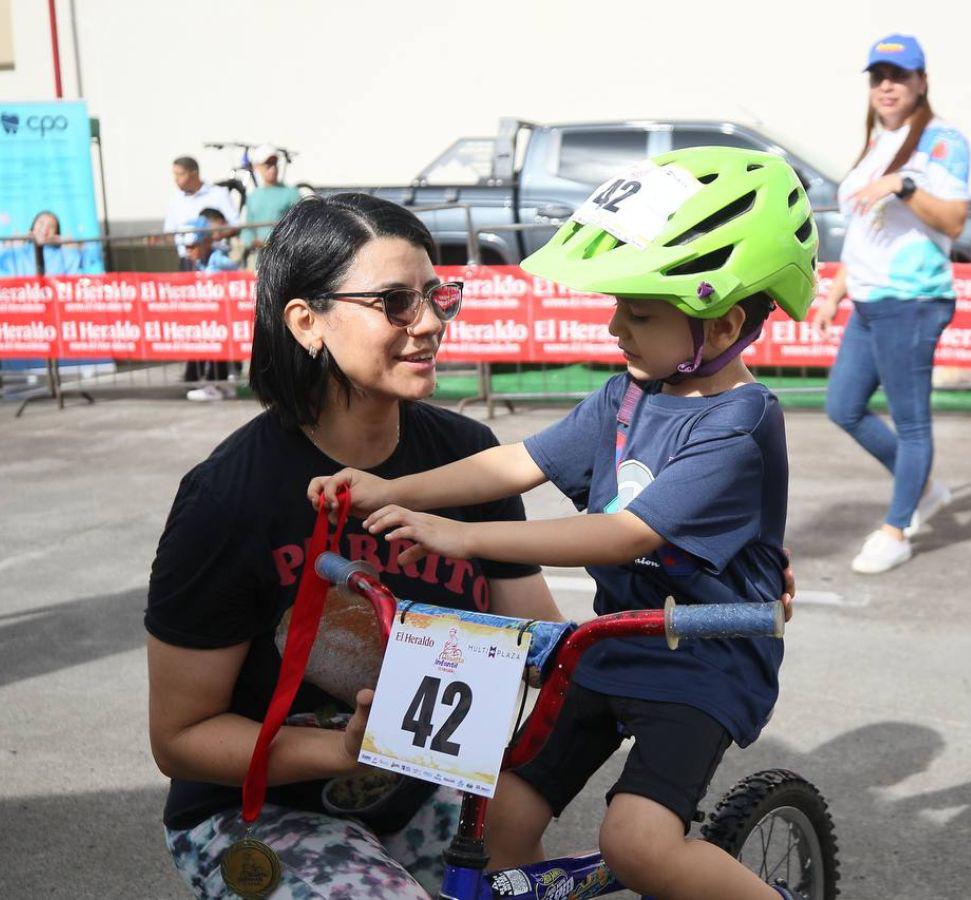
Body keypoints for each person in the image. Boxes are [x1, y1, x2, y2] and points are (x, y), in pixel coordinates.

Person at [309, 147, 819, 899]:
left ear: (725, 322)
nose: (615, 326)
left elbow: (626, 534)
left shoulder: (738, 425)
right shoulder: (625, 396)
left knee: (638, 844)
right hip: (613, 642)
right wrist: (390, 490)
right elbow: (515, 462)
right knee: (501, 819)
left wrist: (465, 535)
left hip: (703, 662)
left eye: (639, 313)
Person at [145, 193, 565, 899]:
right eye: (395, 301)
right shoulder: (228, 498)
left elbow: (541, 643)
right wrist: (340, 751)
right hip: (255, 814)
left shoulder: (468, 458)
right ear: (307, 322)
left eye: (435, 296)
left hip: (421, 795)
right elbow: (180, 737)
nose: (430, 322)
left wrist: (680, 579)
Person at [812, 33, 969, 574]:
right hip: (871, 300)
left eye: (899, 75)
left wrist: (902, 186)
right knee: (843, 407)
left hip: (913, 301)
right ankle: (922, 489)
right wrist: (836, 292)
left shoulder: (942, 141)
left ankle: (897, 529)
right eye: (878, 76)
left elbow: (953, 221)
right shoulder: (881, 142)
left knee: (912, 424)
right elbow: (865, 232)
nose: (886, 85)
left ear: (921, 82)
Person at [181, 210, 242, 401]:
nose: (188, 251)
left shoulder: (219, 260)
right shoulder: (197, 262)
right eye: (186, 246)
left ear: (206, 242)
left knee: (220, 348)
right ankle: (205, 382)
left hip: (223, 313)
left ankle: (216, 384)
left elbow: (240, 275)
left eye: (193, 246)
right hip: (206, 314)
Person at [162, 155, 239, 269]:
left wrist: (211, 236)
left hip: (215, 259)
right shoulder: (175, 201)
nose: (176, 179)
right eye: (175, 174)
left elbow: (235, 225)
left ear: (194, 174)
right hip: (187, 262)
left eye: (181, 174)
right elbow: (169, 233)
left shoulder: (218, 194)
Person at [241, 143, 302, 269]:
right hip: (261, 259)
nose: (273, 168)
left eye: (274, 164)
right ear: (257, 167)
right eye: (268, 165)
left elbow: (300, 224)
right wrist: (253, 242)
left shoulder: (291, 193)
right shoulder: (253, 196)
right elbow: (247, 228)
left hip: (285, 256)